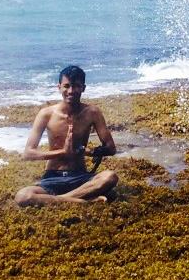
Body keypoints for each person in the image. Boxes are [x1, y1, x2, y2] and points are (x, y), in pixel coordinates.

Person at [15, 65, 119, 206]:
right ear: (59, 87)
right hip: (53, 177)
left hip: (80, 177)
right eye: (66, 86)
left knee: (110, 177)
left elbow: (111, 148)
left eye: (76, 86)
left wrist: (86, 151)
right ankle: (82, 200)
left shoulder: (92, 113)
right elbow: (28, 153)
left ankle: (64, 199)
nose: (71, 91)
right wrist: (62, 152)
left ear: (83, 88)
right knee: (23, 196)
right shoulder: (46, 114)